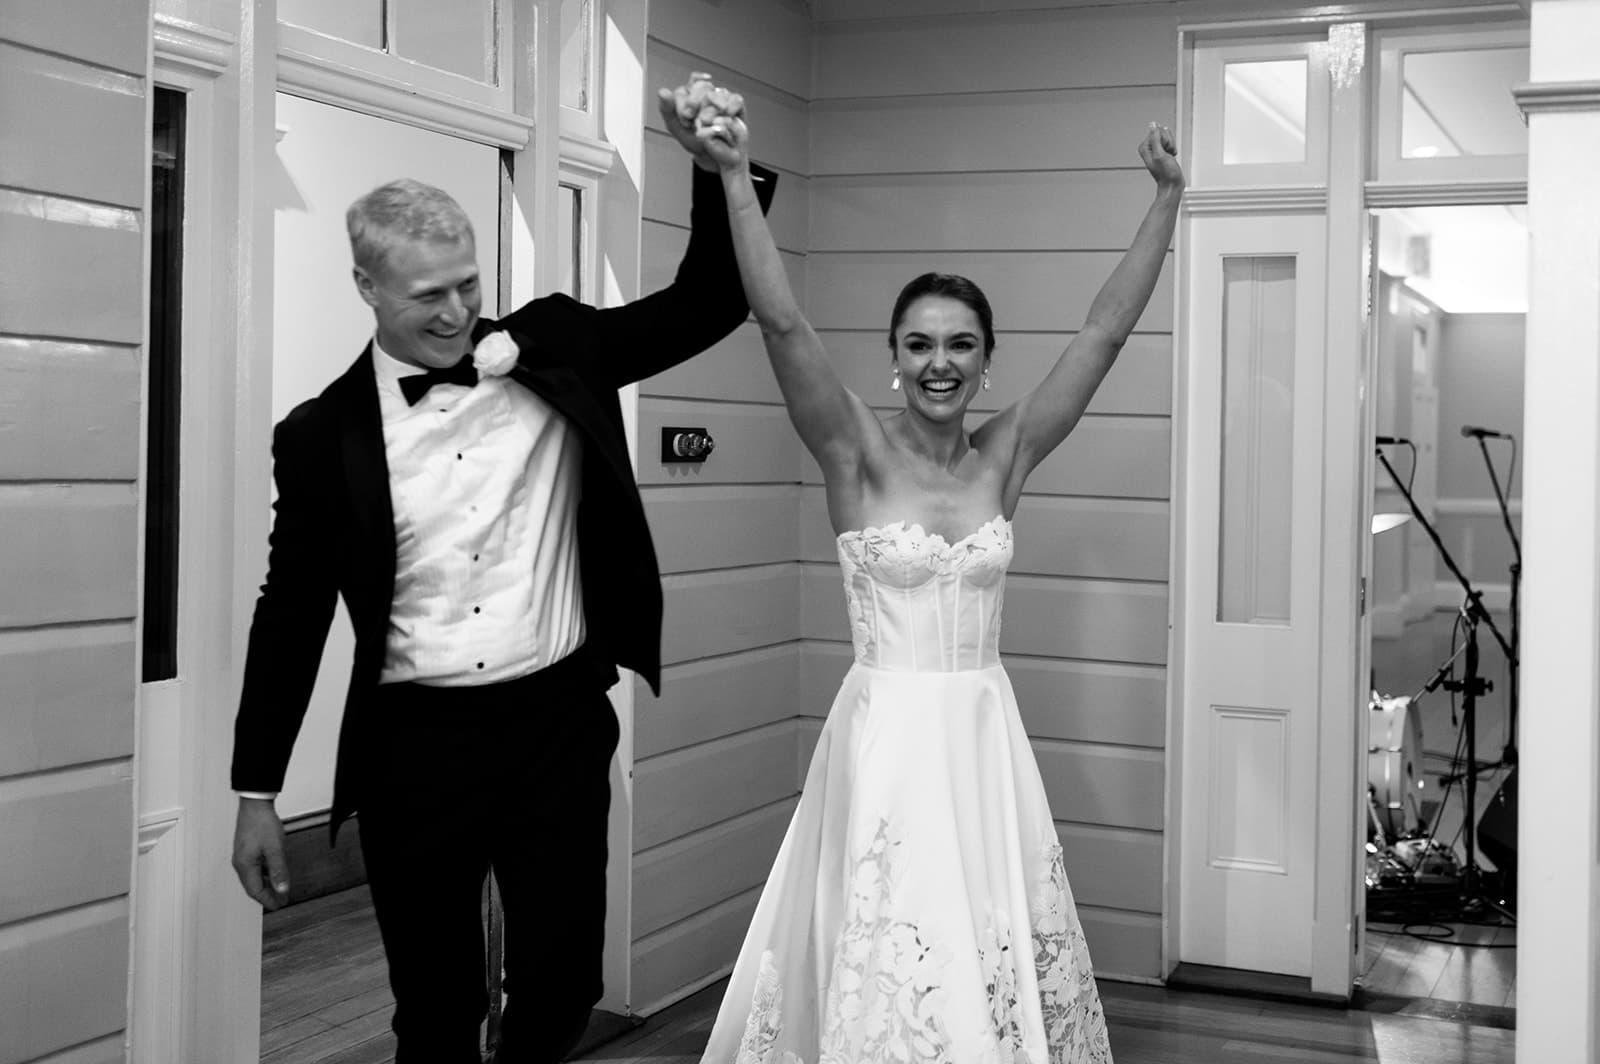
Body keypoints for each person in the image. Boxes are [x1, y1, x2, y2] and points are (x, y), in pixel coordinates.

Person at [228, 76, 774, 1064]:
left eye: (467, 284)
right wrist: (257, 788)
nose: (456, 312)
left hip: (555, 726)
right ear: (367, 287)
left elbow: (709, 301)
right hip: (411, 746)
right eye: (427, 294)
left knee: (564, 979)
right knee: (433, 1009)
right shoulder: (320, 436)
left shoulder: (554, 346)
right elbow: (292, 609)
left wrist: (713, 169)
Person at [692, 100, 1182, 1061]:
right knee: (887, 938)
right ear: (893, 361)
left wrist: (1166, 198)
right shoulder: (855, 456)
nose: (939, 363)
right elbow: (782, 322)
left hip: (980, 734)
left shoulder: (1008, 455)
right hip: (884, 736)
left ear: (987, 363)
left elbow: (1101, 336)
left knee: (983, 933)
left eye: (960, 344)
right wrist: (731, 175)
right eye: (919, 344)